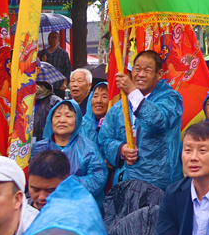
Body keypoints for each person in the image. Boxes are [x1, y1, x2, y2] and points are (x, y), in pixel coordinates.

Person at [99, 50, 184, 190]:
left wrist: (133, 91)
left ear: (159, 74)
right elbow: (105, 138)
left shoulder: (170, 98)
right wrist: (120, 149)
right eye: (137, 69)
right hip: (125, 181)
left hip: (158, 183)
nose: (141, 74)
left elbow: (158, 121)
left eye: (147, 70)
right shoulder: (120, 105)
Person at [32, 99, 107, 205]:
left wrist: (66, 182)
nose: (62, 120)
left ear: (77, 120)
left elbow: (98, 178)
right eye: (57, 116)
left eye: (68, 116)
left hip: (78, 207)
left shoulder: (89, 148)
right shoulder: (38, 148)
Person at [23, 176, 107, 235]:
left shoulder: (80, 217)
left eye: (49, 190)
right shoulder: (28, 219)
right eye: (36, 190)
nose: (42, 196)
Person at [38, 32, 70, 97]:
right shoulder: (42, 53)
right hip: (46, 85)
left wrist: (65, 83)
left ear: (58, 40)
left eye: (54, 37)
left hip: (59, 85)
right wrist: (43, 62)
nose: (52, 39)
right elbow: (38, 69)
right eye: (50, 37)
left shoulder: (63, 53)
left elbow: (67, 69)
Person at [79, 82, 109, 147]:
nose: (98, 101)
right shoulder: (80, 125)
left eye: (104, 97)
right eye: (95, 96)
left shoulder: (117, 125)